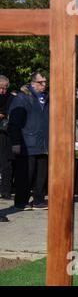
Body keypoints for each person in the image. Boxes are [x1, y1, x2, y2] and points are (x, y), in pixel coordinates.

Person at [8, 71, 50, 211]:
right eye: (41, 82)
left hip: (44, 142)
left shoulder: (47, 98)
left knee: (42, 174)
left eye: (45, 82)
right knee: (26, 173)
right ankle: (21, 201)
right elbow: (14, 123)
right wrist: (15, 142)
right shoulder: (22, 98)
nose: (44, 85)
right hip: (27, 142)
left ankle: (38, 200)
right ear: (33, 83)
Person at [0, 75, 12, 222]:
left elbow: (6, 112)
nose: (3, 91)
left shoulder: (9, 97)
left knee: (5, 163)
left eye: (5, 88)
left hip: (2, 134)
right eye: (0, 87)